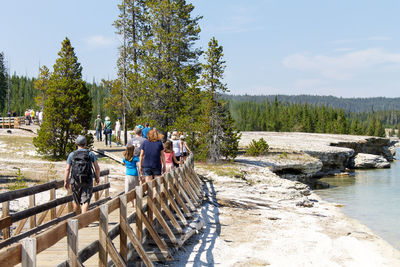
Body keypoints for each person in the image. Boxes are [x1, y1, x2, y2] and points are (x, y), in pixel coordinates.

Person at [64, 135, 100, 214]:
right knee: (85, 200)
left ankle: (78, 220)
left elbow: (67, 169)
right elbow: (97, 168)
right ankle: (83, 220)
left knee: (76, 200)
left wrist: (66, 181)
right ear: (85, 143)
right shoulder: (90, 154)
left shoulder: (72, 154)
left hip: (75, 180)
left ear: (76, 143)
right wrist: (97, 177)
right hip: (87, 180)